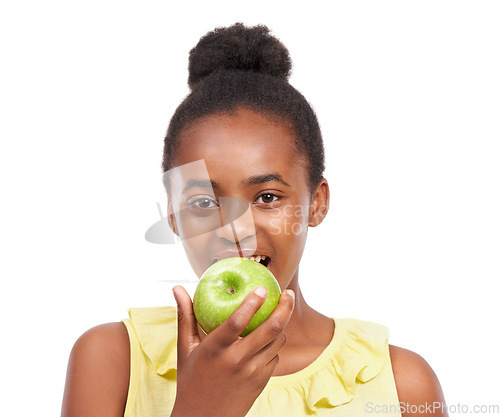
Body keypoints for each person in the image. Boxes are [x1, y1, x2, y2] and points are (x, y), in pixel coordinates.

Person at [61, 23, 448, 417]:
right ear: (174, 216)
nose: (236, 230)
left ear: (316, 203)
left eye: (267, 197)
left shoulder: (401, 386)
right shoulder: (113, 360)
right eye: (203, 202)